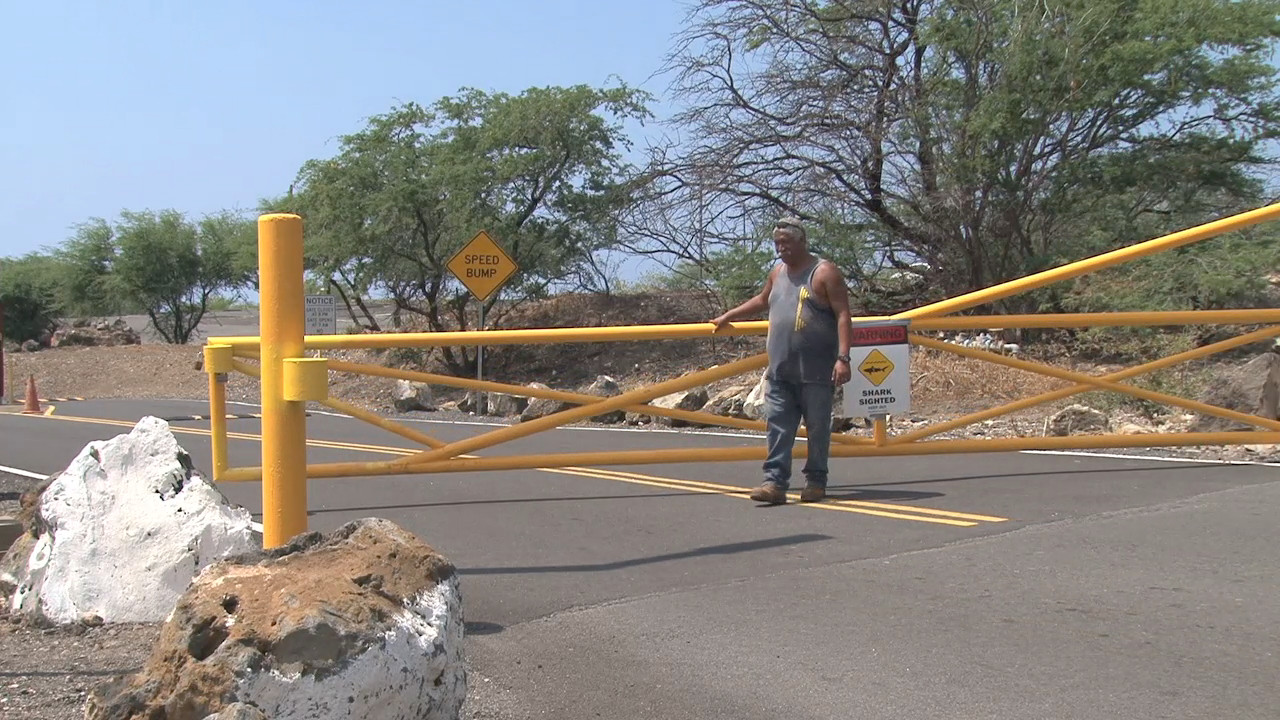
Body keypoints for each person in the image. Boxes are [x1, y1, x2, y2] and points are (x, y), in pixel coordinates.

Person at [710, 216, 852, 505]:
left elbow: (843, 315)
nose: (781, 249)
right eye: (777, 244)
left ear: (802, 241)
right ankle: (774, 483)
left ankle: (816, 481)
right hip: (780, 370)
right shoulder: (777, 273)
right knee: (778, 427)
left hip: (816, 369)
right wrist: (729, 316)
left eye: (786, 243)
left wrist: (843, 358)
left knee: (818, 428)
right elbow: (763, 300)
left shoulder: (824, 272)